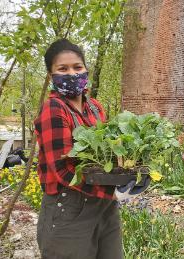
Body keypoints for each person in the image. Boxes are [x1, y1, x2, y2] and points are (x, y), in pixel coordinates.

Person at [34, 39, 149, 259]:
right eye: (62, 69)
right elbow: (63, 170)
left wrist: (133, 173)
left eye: (77, 67)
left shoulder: (94, 107)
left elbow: (108, 154)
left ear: (86, 69)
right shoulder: (54, 109)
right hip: (68, 208)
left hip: (104, 207)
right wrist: (114, 192)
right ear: (51, 76)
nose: (72, 73)